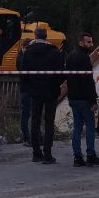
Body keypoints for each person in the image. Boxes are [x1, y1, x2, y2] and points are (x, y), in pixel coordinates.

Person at [21, 27, 65, 164]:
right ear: (46, 37)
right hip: (51, 91)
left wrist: (29, 87)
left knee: (35, 121)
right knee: (49, 122)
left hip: (35, 91)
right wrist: (55, 85)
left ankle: (36, 152)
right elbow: (60, 73)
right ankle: (47, 153)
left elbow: (23, 73)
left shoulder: (28, 52)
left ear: (35, 35)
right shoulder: (55, 52)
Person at [65, 32, 99, 167]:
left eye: (91, 42)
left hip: (73, 97)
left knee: (77, 127)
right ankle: (90, 154)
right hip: (84, 99)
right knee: (90, 126)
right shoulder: (84, 58)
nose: (91, 45)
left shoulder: (70, 57)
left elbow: (68, 78)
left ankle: (77, 157)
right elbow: (88, 81)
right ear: (81, 42)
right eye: (88, 42)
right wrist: (93, 101)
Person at [16, 38, 33, 146]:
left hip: (26, 88)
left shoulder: (21, 56)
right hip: (27, 88)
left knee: (27, 113)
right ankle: (27, 136)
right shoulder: (23, 57)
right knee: (26, 113)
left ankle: (28, 136)